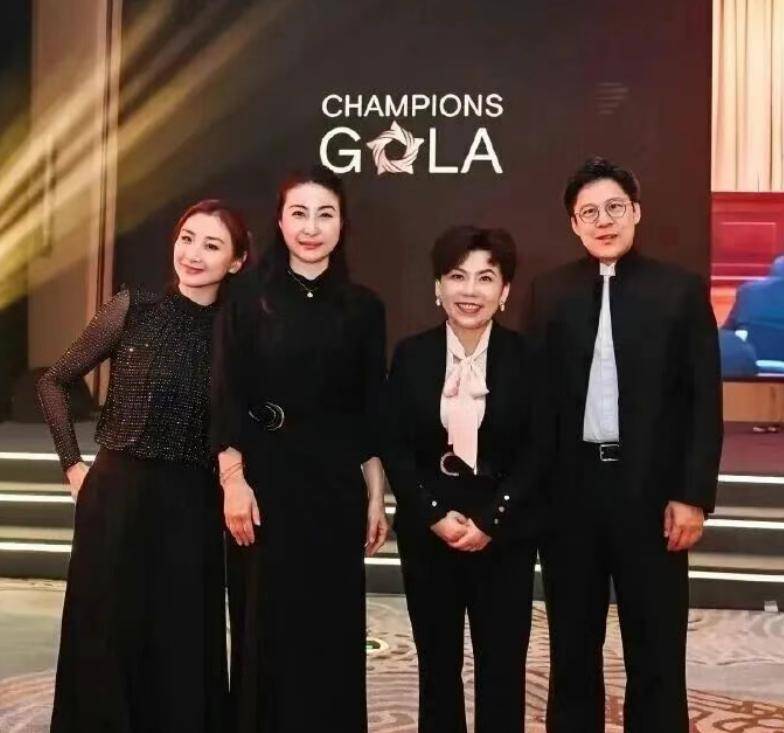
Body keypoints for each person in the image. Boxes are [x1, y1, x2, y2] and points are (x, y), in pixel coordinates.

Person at [526, 157, 723, 733]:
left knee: (656, 646)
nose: (603, 221)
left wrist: (693, 494)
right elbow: (537, 402)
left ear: (636, 211)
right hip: (570, 497)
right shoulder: (550, 291)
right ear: (573, 224)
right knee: (571, 648)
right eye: (588, 212)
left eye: (615, 207)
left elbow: (704, 401)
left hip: (653, 496)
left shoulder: (679, 291)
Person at [38, 199, 250, 732]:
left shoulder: (239, 332)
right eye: (187, 238)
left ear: (237, 261)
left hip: (192, 504)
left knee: (180, 638)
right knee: (105, 633)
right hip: (116, 496)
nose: (193, 254)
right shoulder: (134, 306)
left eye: (212, 245)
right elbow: (53, 382)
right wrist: (73, 467)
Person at [212, 164, 388, 733]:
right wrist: (233, 481)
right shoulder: (245, 297)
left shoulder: (364, 306)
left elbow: (369, 412)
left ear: (343, 224)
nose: (312, 227)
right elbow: (225, 394)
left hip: (334, 487)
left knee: (331, 633)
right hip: (264, 481)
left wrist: (375, 495)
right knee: (263, 629)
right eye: (299, 213)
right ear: (281, 222)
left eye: (325, 214)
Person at [383, 226, 546, 733]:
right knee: (437, 667)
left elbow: (540, 450)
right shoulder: (411, 355)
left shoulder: (529, 357)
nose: (470, 291)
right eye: (457, 276)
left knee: (502, 667)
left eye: (485, 278)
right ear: (438, 287)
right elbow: (395, 447)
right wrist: (432, 514)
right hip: (429, 530)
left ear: (505, 291)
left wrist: (492, 519)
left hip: (505, 532)